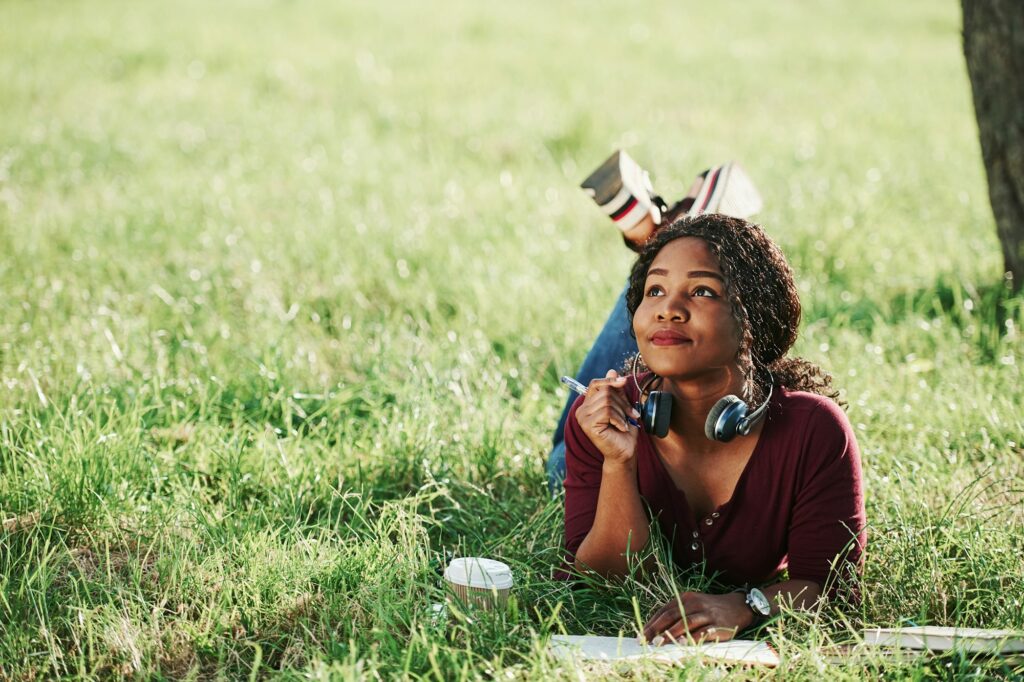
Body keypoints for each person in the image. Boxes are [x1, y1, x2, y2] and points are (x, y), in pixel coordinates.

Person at [559, 214, 867, 644]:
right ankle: (668, 228)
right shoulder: (602, 423)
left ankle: (675, 222)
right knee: (560, 453)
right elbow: (604, 583)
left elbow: (832, 591)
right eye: (655, 290)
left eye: (702, 290)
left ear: (751, 319)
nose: (667, 307)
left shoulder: (814, 431)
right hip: (585, 446)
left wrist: (745, 605)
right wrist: (617, 462)